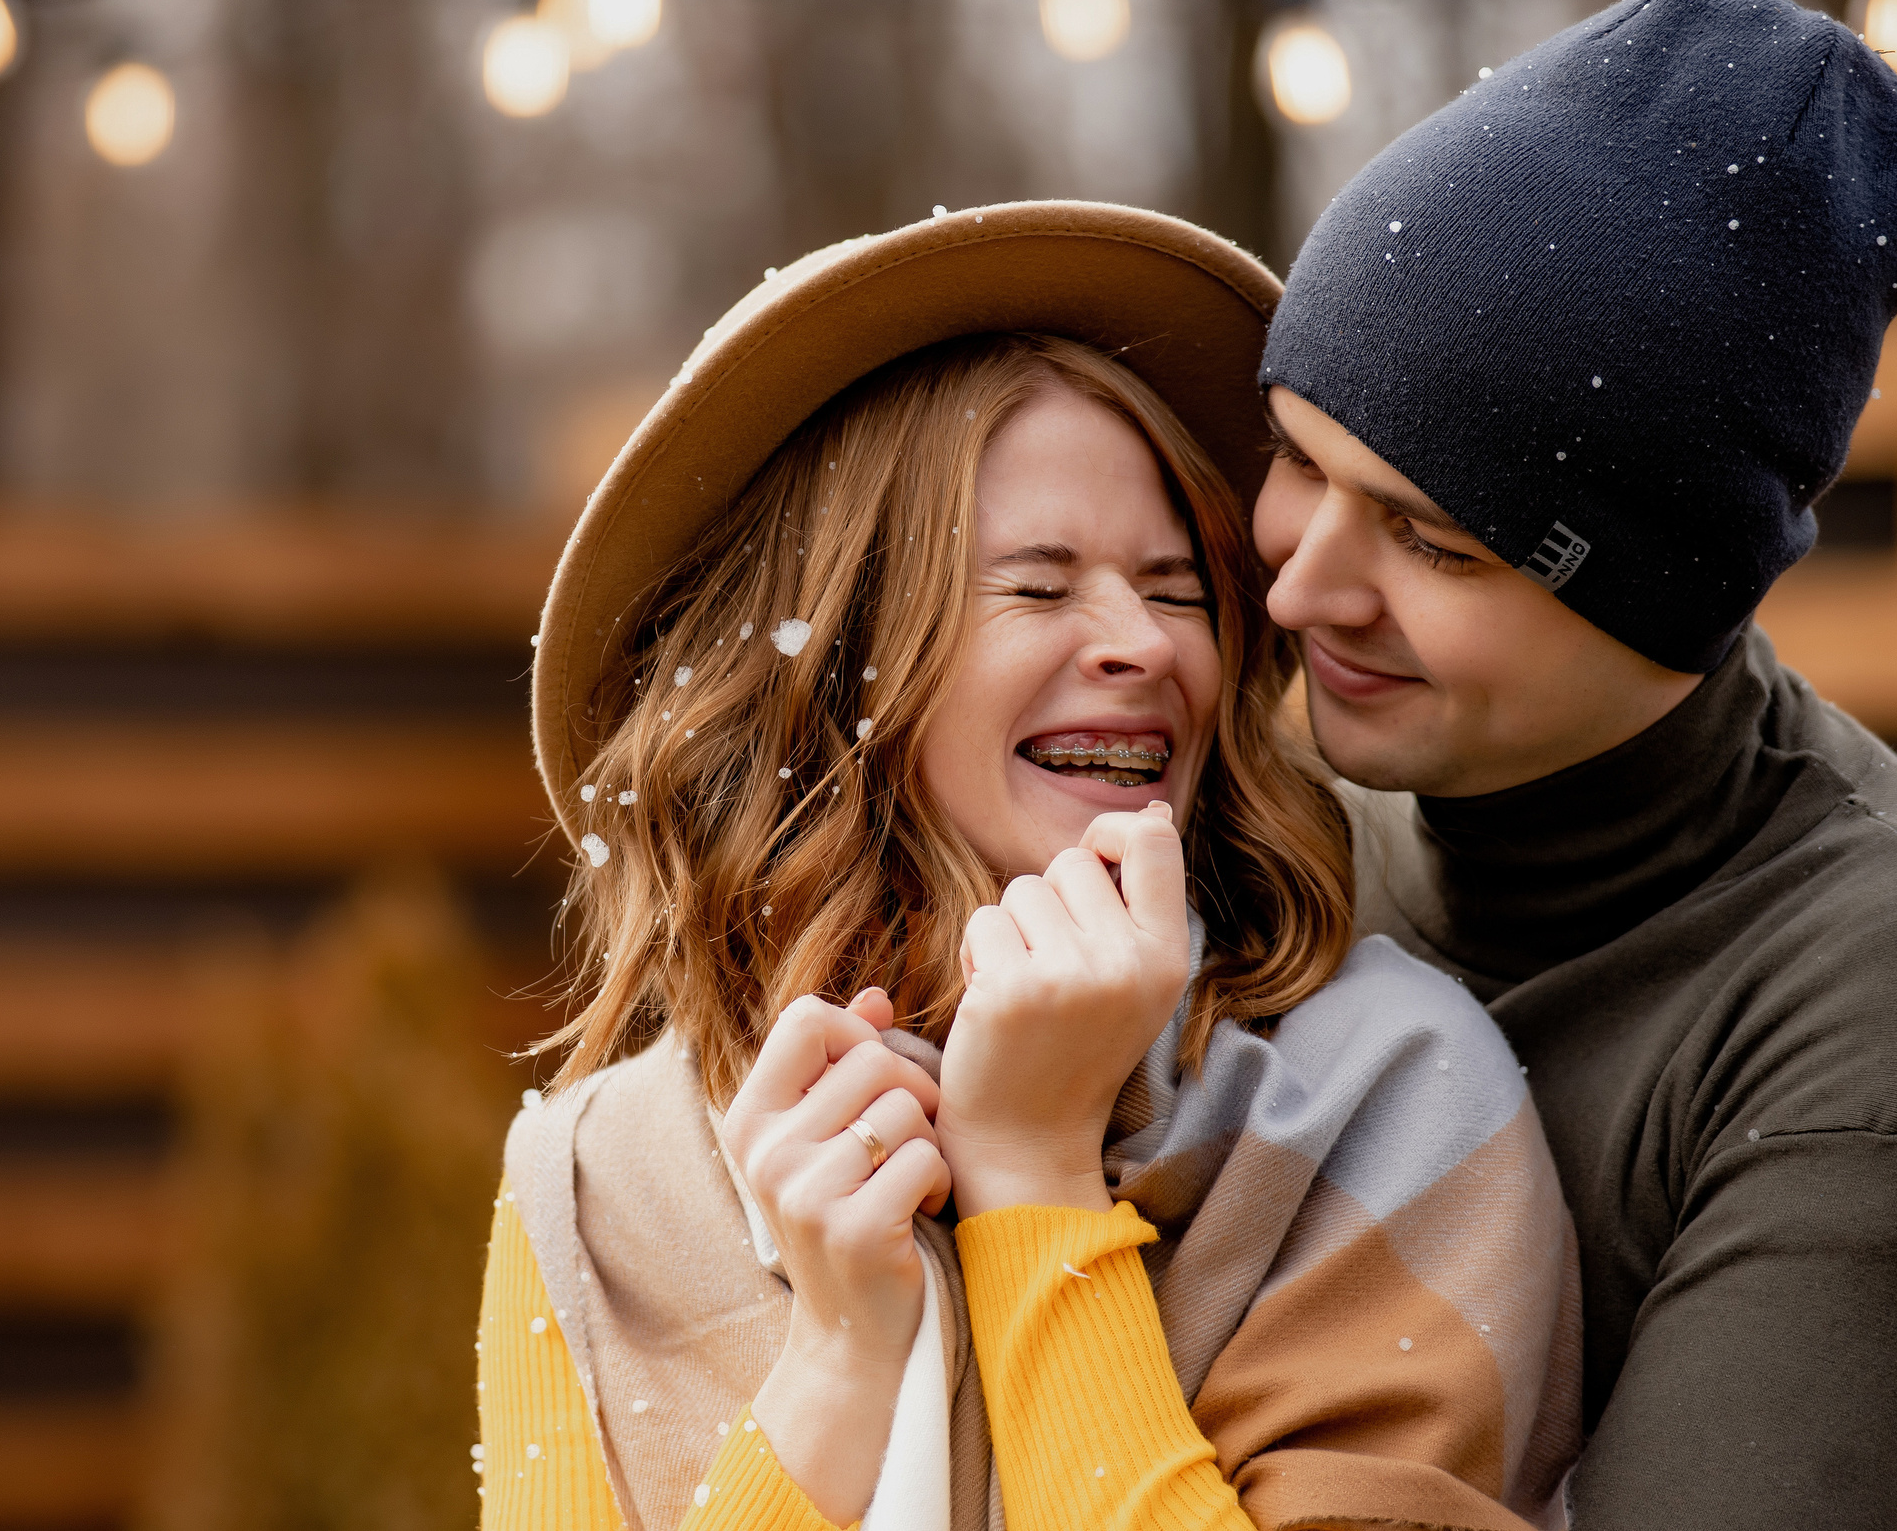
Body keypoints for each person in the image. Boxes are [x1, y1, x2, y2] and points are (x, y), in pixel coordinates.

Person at [480, 203, 1580, 1531]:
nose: (1142, 644)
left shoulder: (1391, 1098)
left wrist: (1036, 1175)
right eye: (1040, 587)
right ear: (836, 660)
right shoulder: (605, 1183)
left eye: (1177, 589)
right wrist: (837, 1366)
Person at [1252, 0, 1897, 1530]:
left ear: (1668, 589)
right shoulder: (1279, 803)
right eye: (1296, 460)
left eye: (1433, 540)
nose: (1301, 585)